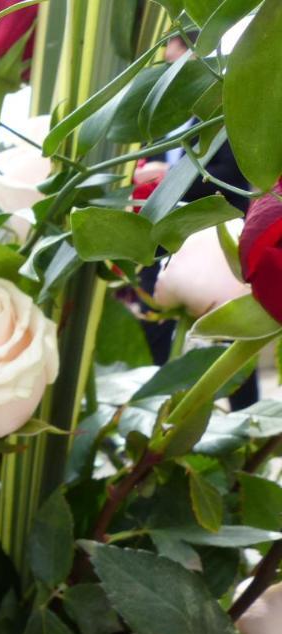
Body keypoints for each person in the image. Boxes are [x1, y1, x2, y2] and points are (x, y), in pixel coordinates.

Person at [134, 32, 258, 409]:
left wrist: (170, 179)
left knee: (230, 345)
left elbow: (230, 181)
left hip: (212, 242)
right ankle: (163, 408)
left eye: (171, 51)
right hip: (158, 246)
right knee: (153, 330)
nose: (165, 60)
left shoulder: (226, 113)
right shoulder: (156, 120)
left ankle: (245, 419)